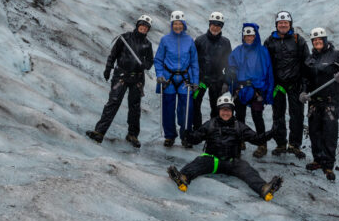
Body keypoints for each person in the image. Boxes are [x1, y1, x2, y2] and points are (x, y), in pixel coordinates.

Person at [167, 93, 283, 201]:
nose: (225, 113)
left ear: (232, 111)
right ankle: (183, 178)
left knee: (248, 171)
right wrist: (189, 136)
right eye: (223, 110)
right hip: (212, 160)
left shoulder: (239, 126)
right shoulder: (211, 124)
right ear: (219, 111)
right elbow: (197, 138)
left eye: (228, 110)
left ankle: (264, 188)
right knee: (198, 162)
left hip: (232, 162)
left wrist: (271, 133)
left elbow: (256, 139)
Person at [86, 15, 154, 147]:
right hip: (121, 75)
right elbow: (113, 54)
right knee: (113, 102)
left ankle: (132, 135)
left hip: (137, 78)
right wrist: (108, 68)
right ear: (137, 24)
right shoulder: (125, 38)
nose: (144, 28)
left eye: (146, 27)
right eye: (142, 25)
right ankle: (99, 132)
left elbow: (151, 61)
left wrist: (145, 65)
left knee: (135, 107)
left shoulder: (147, 44)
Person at [300, 27, 339, 181]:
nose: (317, 42)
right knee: (314, 131)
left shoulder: (336, 55)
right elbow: (305, 79)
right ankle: (318, 159)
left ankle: (328, 165)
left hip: (331, 101)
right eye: (314, 40)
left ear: (324, 40)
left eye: (319, 40)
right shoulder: (310, 59)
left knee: (329, 132)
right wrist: (303, 92)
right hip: (314, 101)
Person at [264, 11, 310, 159]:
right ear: (276, 24)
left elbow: (306, 64)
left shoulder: (298, 40)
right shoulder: (269, 41)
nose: (283, 25)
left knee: (296, 115)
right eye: (280, 23)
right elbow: (265, 64)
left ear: (290, 24)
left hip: (295, 84)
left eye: (286, 23)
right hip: (278, 85)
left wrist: (304, 87)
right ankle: (281, 144)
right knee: (278, 115)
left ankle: (294, 145)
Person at [227, 23, 274, 158]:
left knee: (257, 116)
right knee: (240, 115)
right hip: (240, 88)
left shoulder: (263, 51)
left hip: (257, 89)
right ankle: (240, 140)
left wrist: (266, 91)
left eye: (251, 35)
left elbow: (268, 71)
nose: (249, 38)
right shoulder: (237, 51)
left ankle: (262, 143)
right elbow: (231, 66)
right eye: (246, 35)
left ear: (255, 35)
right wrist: (231, 74)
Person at [154, 11, 200, 148]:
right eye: (175, 23)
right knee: (168, 109)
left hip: (185, 79)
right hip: (168, 78)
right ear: (172, 24)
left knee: (186, 109)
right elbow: (158, 59)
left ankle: (185, 136)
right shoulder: (165, 40)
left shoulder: (189, 40)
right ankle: (169, 136)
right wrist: (159, 74)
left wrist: (195, 81)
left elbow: (194, 62)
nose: (178, 26)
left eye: (180, 23)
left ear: (184, 25)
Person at [193, 11, 232, 131]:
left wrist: (226, 81)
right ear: (209, 24)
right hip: (201, 80)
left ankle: (214, 131)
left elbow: (229, 63)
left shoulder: (225, 42)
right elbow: (193, 61)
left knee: (216, 107)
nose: (215, 27)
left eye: (219, 25)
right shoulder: (200, 41)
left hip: (217, 80)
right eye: (213, 24)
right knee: (195, 104)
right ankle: (197, 130)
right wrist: (194, 79)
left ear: (221, 27)